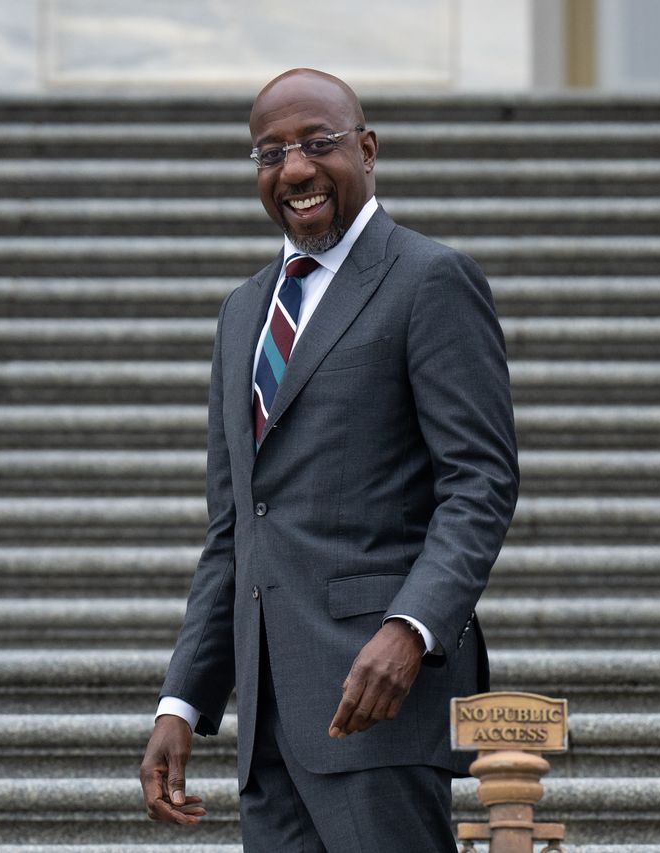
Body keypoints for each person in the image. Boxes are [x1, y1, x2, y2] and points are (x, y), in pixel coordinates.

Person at [139, 68, 519, 851]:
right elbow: (237, 528)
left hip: (379, 703)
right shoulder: (243, 312)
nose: (296, 169)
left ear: (368, 149)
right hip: (269, 727)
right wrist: (182, 701)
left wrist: (411, 629)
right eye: (271, 153)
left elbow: (479, 482)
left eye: (318, 143)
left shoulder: (429, 280)